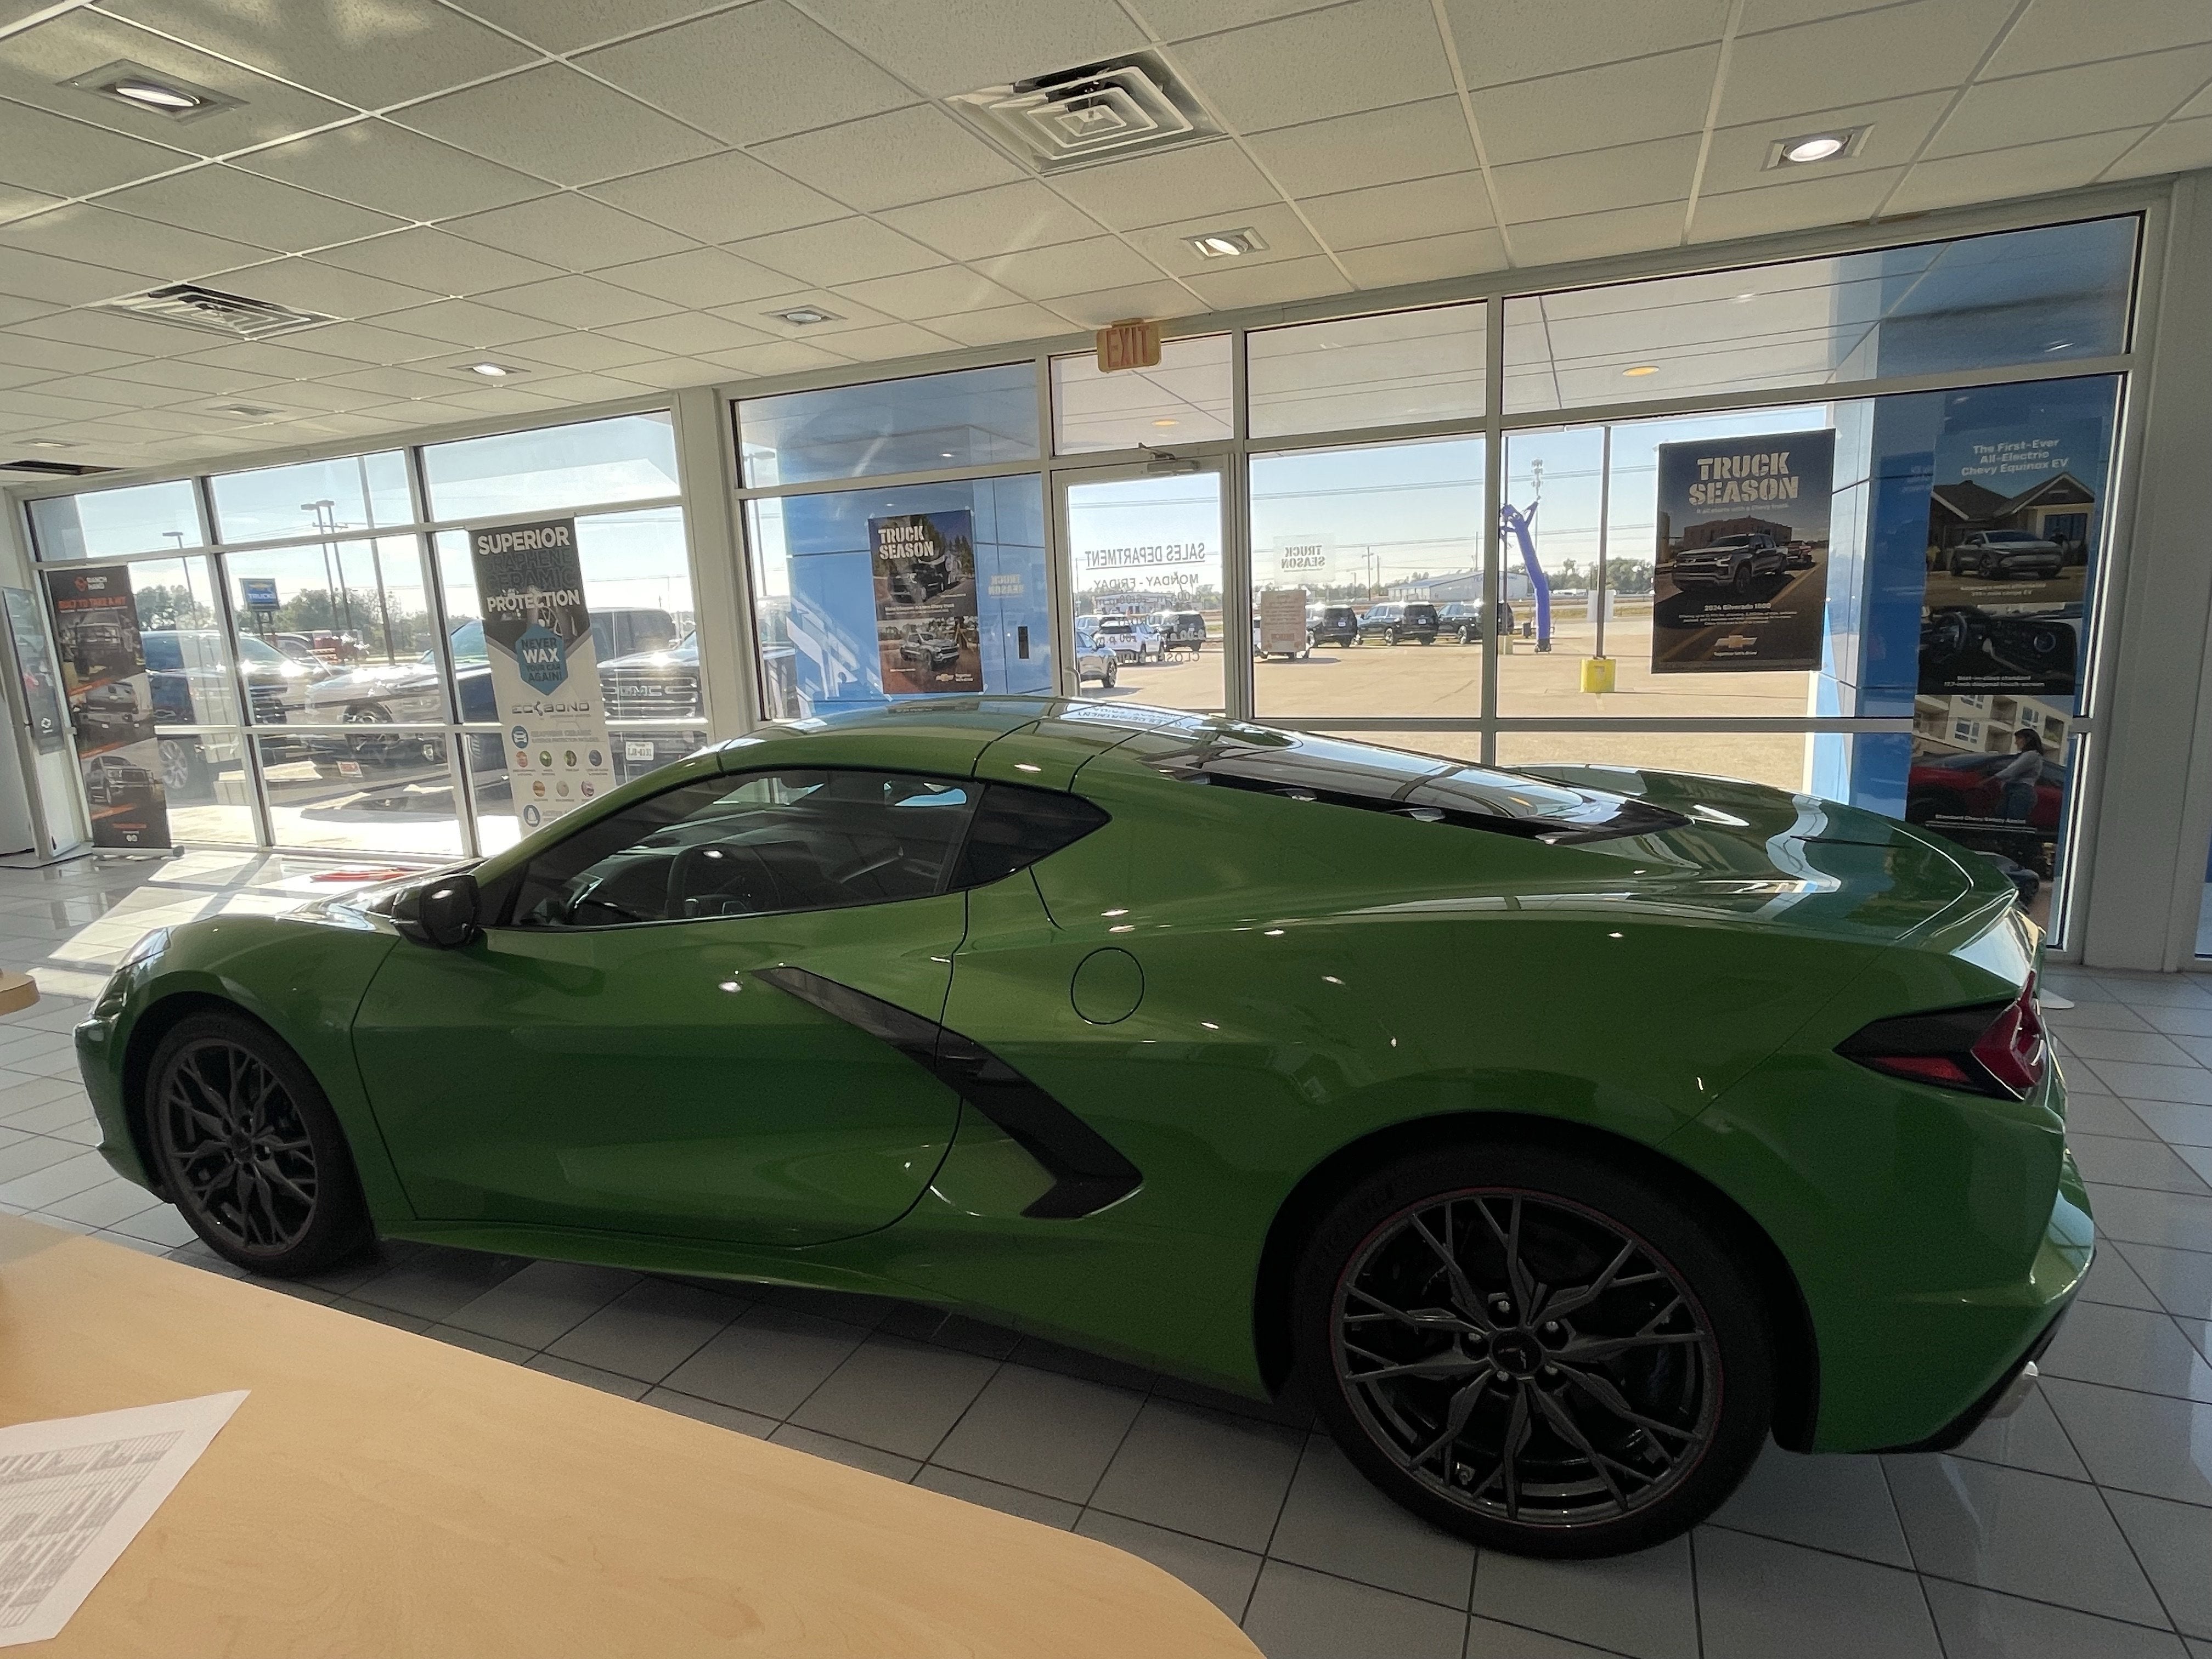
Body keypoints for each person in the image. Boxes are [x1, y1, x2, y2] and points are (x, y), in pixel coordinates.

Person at [1996, 727, 2044, 822]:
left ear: (2028, 740)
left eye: (2019, 739)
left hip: (2021, 791)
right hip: (2015, 790)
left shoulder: (2032, 755)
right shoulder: (2026, 756)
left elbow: (2012, 770)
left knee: (2013, 821)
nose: (2016, 743)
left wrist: (1993, 778)